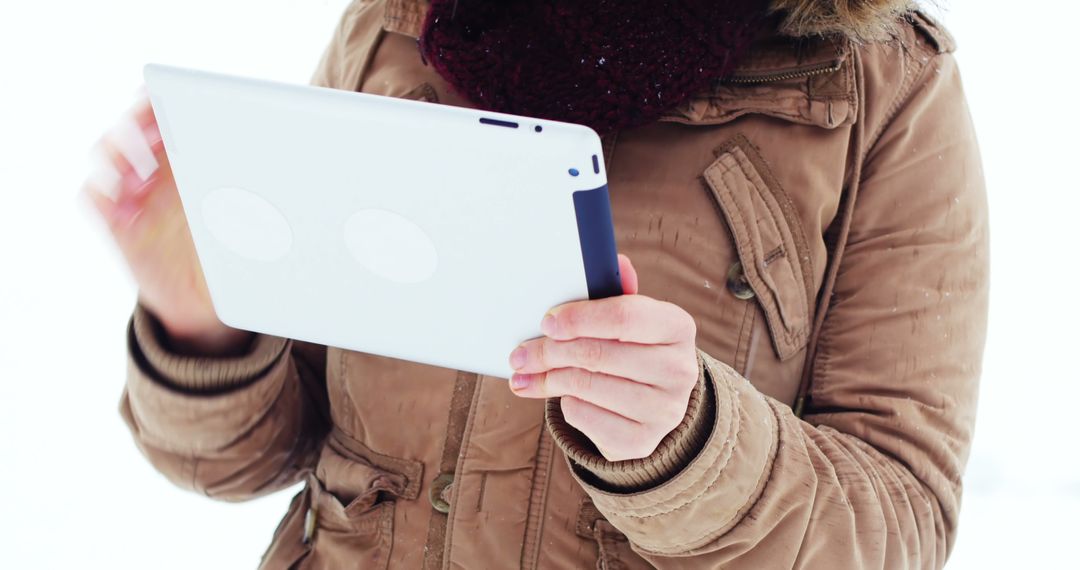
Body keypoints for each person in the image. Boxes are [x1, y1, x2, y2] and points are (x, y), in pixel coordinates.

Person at [82, 0, 989, 568]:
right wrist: (206, 328)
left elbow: (900, 529)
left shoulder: (882, 82)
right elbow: (256, 458)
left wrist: (693, 447)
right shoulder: (397, 22)